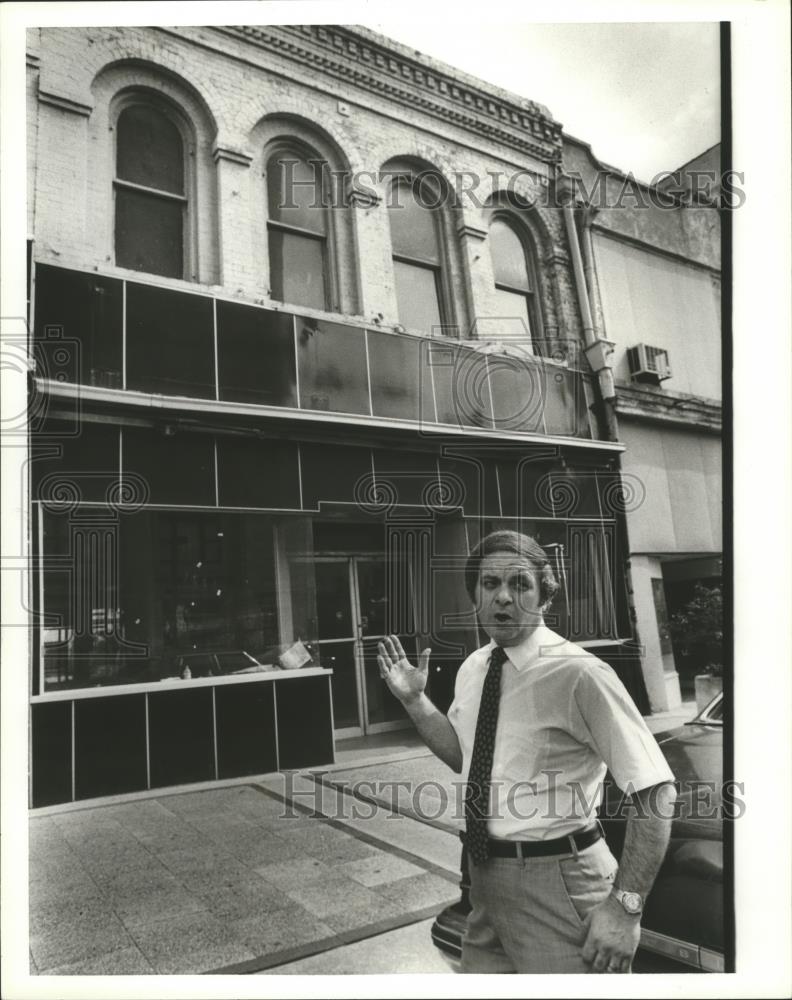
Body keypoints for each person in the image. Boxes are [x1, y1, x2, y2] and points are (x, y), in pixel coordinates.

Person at [377, 529, 676, 974]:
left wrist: (625, 908)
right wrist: (415, 703)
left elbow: (655, 791)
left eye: (519, 584)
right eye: (490, 584)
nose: (503, 597)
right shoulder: (475, 666)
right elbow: (465, 755)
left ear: (544, 596)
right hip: (484, 886)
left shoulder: (579, 673)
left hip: (560, 881)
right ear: (475, 595)